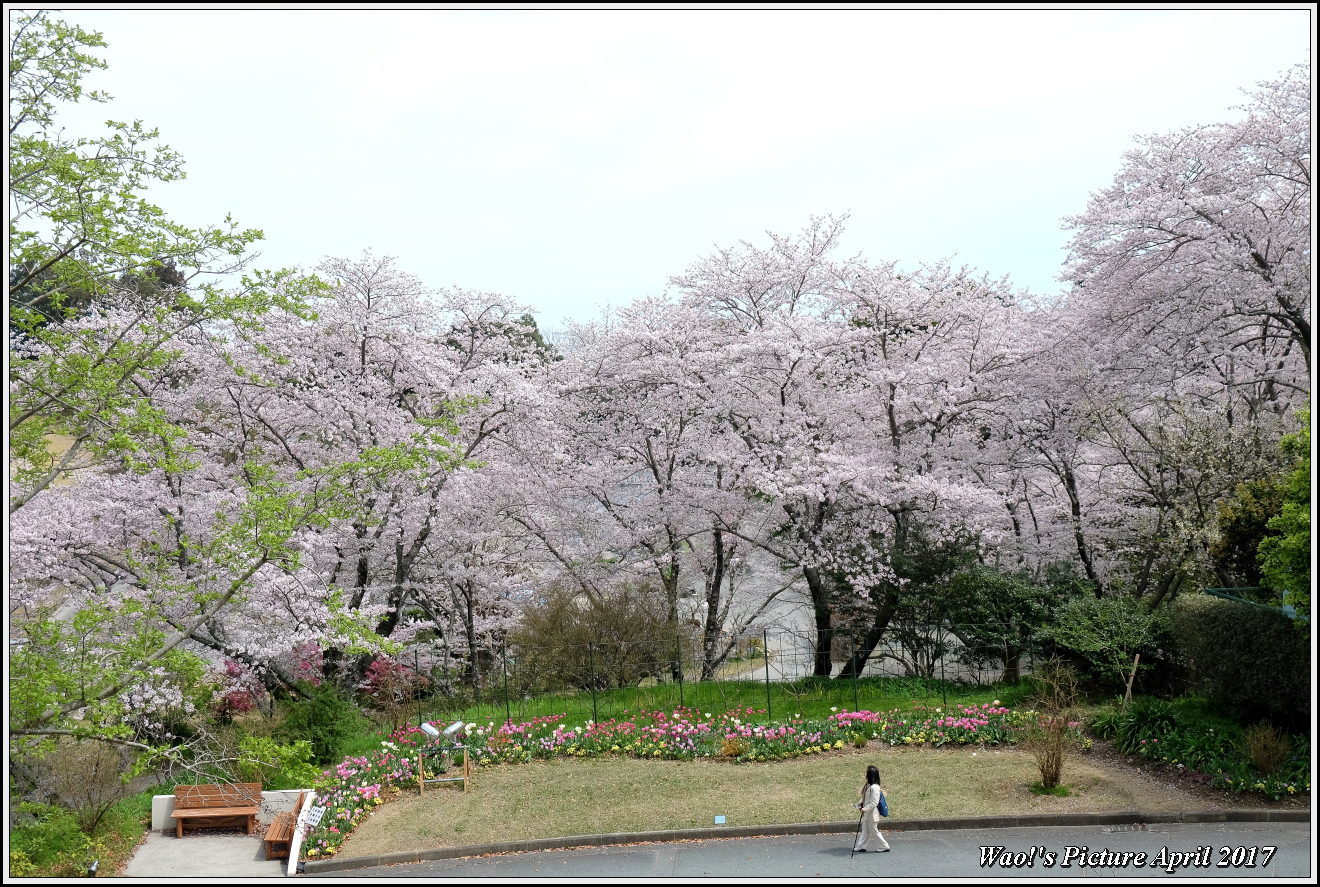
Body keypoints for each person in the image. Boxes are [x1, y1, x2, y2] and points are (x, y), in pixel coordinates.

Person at [853, 764, 891, 853]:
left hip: (872, 814)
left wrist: (864, 809)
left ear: (870, 775)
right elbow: (865, 798)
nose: (865, 775)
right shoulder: (868, 786)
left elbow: (874, 802)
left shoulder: (875, 787)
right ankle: (861, 846)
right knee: (865, 830)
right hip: (867, 814)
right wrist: (858, 804)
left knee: (874, 831)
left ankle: (884, 846)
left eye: (867, 773)